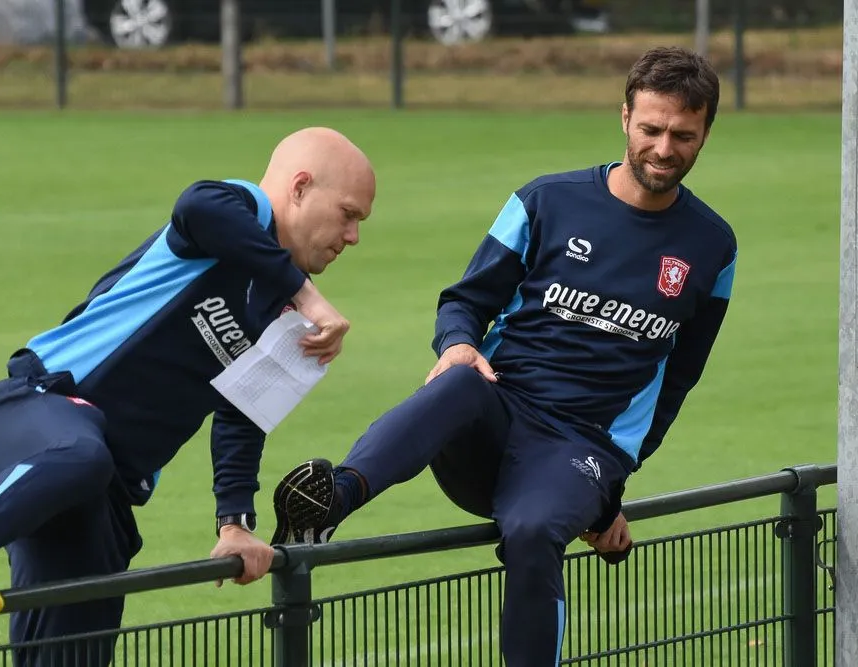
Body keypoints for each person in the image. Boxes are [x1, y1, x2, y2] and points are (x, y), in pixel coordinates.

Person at [271, 46, 736, 666]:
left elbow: (678, 379)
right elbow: (465, 301)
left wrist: (610, 490)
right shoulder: (546, 201)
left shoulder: (713, 246)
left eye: (683, 135)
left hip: (580, 448)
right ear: (624, 117)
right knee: (462, 380)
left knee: (533, 532)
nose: (663, 148)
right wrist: (458, 342)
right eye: (651, 128)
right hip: (493, 416)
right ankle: (331, 504)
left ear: (705, 133)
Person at [0, 127, 376, 664]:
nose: (352, 236)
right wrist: (306, 295)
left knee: (72, 653)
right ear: (300, 187)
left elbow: (244, 416)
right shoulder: (240, 211)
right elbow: (197, 204)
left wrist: (234, 524)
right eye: (348, 214)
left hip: (98, 494)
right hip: (31, 414)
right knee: (82, 453)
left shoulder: (287, 321)